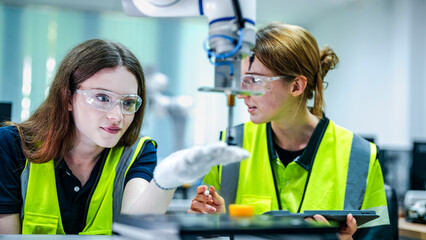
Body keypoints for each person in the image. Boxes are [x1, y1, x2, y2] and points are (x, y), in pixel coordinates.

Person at [0, 39, 249, 234]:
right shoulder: (11, 145)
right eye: (102, 98)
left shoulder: (138, 152)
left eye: (128, 102)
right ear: (67, 97)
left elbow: (136, 225)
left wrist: (166, 181)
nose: (116, 116)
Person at [189, 23, 391, 239]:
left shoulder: (361, 156)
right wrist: (212, 225)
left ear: (296, 86)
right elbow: (204, 227)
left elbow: (380, 235)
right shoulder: (230, 146)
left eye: (255, 81)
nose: (241, 95)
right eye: (244, 81)